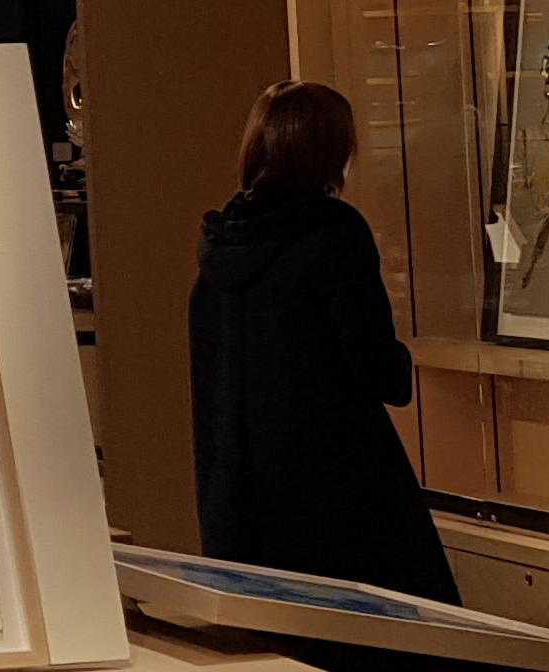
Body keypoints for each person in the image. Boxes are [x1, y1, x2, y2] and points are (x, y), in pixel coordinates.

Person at [186, 79, 456, 599]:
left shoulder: (219, 248)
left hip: (240, 503)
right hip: (336, 494)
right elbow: (377, 368)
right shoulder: (333, 236)